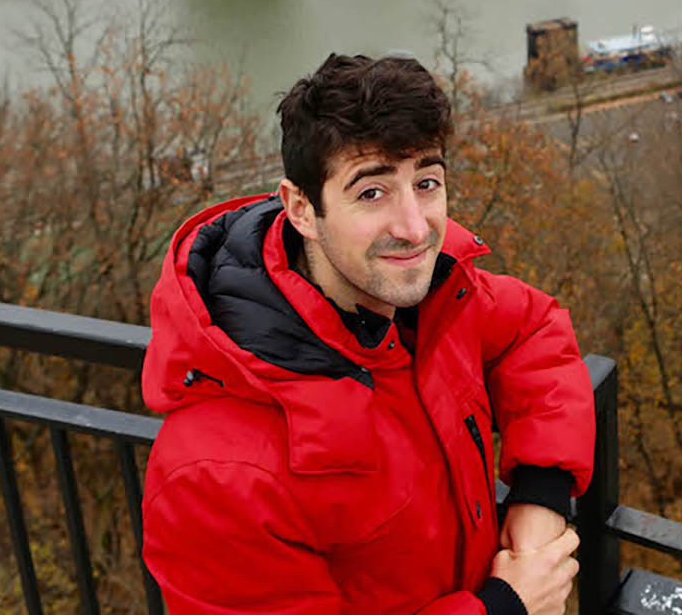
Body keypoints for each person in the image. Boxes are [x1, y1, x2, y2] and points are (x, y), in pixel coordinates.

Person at [140, 52, 595, 615]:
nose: (414, 227)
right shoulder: (214, 478)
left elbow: (534, 330)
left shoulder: (433, 299)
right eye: (372, 192)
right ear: (301, 209)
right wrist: (506, 606)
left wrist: (540, 494)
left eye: (426, 183)